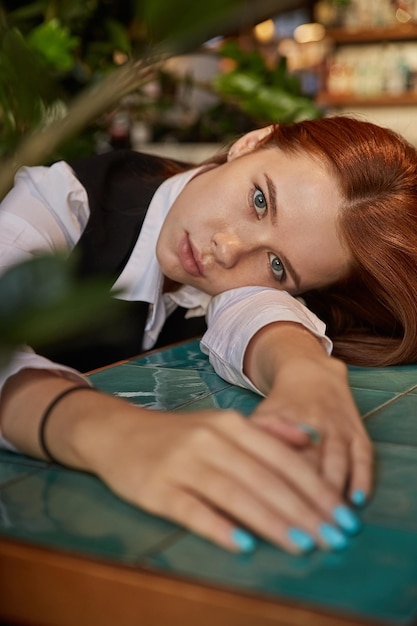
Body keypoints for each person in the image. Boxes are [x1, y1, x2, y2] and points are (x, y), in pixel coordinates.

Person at [2, 114, 414, 556]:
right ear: (252, 143)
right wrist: (103, 431)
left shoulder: (245, 280)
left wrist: (306, 372)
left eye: (277, 265)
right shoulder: (63, 201)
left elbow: (252, 307)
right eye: (260, 200)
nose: (229, 247)